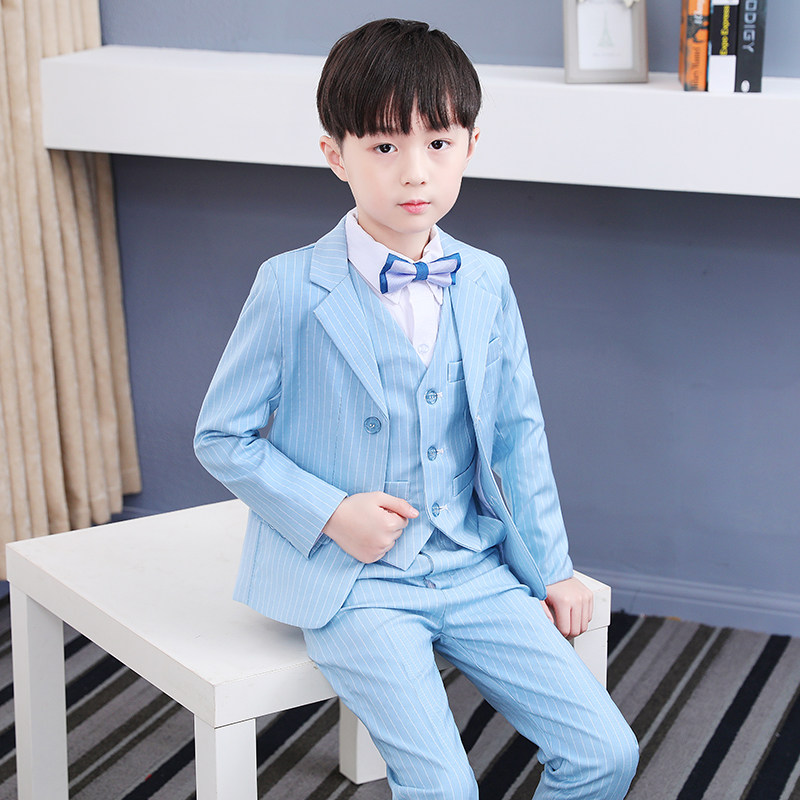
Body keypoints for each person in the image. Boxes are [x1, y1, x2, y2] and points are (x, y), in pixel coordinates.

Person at [195, 17, 638, 799]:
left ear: (470, 144)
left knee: (607, 753)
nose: (414, 172)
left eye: (437, 142)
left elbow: (517, 433)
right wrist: (333, 513)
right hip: (354, 585)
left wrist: (553, 567)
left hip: (472, 564)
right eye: (383, 145)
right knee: (444, 789)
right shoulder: (289, 285)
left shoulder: (487, 279)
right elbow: (222, 436)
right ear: (336, 155)